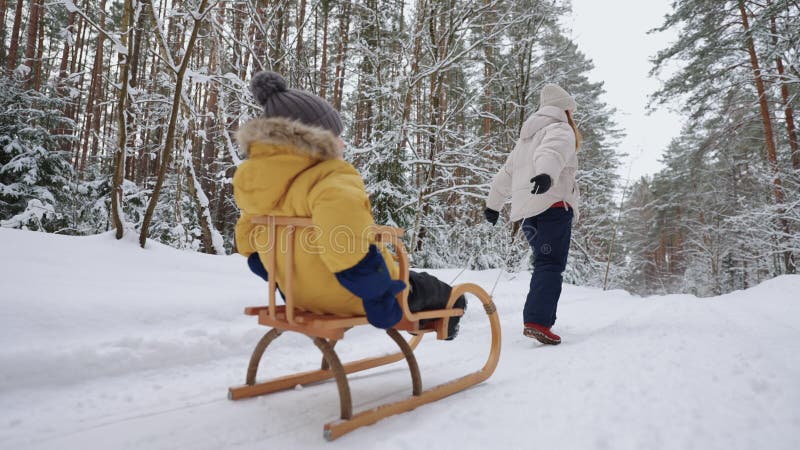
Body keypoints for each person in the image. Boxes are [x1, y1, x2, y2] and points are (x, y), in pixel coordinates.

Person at [233, 71, 465, 338]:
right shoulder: (330, 178)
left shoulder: (256, 184)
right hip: (352, 296)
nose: (342, 142)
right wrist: (379, 298)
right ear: (316, 138)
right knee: (441, 292)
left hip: (296, 295)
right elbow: (347, 251)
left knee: (408, 280)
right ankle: (443, 328)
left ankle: (418, 320)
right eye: (336, 135)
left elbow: (249, 245)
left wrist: (282, 279)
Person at [484, 83, 581, 345]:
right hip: (552, 208)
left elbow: (506, 173)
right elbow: (551, 152)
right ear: (565, 109)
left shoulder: (525, 139)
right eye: (572, 111)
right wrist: (547, 174)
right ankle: (538, 322)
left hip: (528, 215)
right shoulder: (561, 128)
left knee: (544, 263)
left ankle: (538, 319)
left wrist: (493, 205)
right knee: (550, 265)